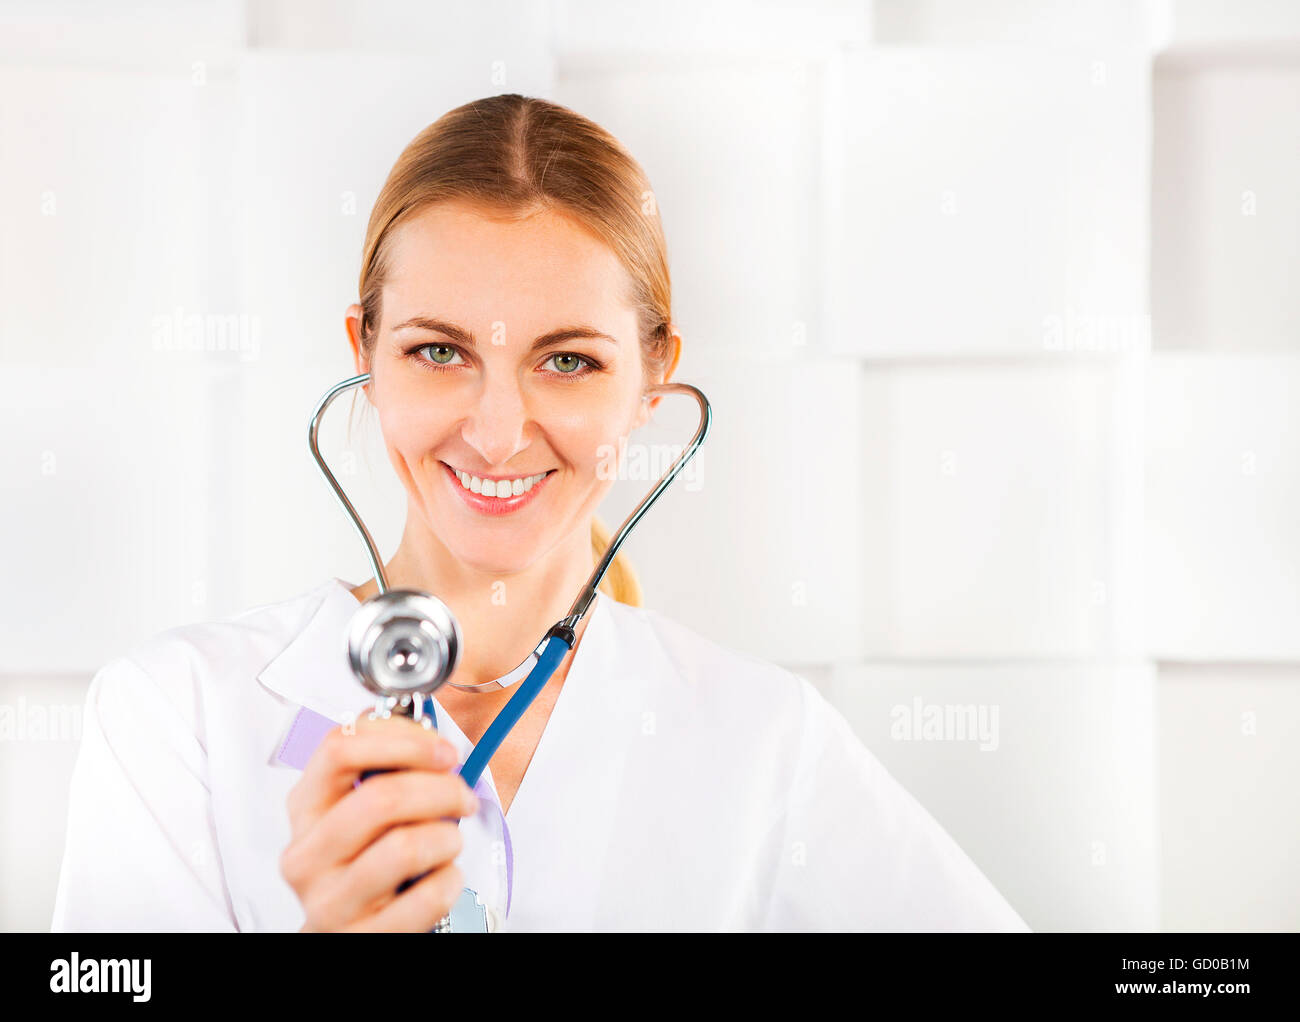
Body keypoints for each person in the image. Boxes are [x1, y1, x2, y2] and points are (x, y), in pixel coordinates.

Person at [51, 94, 1028, 933]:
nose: (498, 431)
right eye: (439, 350)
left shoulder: (766, 738)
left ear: (653, 382)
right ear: (367, 349)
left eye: (568, 360)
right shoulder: (178, 716)